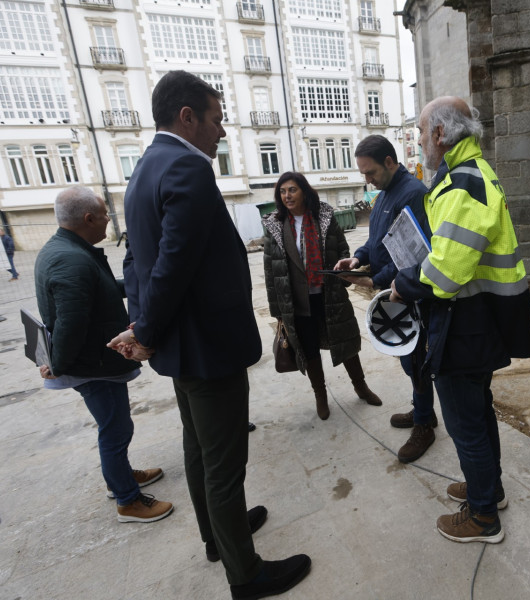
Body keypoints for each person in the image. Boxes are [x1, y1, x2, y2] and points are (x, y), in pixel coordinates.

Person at [107, 70, 310, 599]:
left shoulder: (144, 169)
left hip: (181, 344)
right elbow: (171, 264)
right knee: (224, 464)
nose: (222, 132)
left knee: (198, 449)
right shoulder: (187, 169)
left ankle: (218, 536)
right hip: (207, 345)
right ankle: (246, 574)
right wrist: (145, 330)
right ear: (187, 117)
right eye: (217, 120)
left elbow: (136, 260)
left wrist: (143, 324)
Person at [391, 96, 530, 544]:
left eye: (420, 133)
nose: (417, 143)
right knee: (478, 415)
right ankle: (487, 491)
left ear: (440, 133)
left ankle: (481, 518)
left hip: (464, 324)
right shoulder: (472, 174)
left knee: (465, 426)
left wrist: (403, 284)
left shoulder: (462, 184)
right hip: (478, 318)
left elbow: (445, 274)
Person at [34, 186, 173, 523]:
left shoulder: (65, 249)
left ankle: (120, 477)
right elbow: (70, 322)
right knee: (115, 429)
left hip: (91, 361)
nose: (109, 220)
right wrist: (58, 365)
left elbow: (101, 290)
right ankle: (127, 500)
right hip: (92, 366)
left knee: (113, 426)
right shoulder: (71, 259)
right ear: (88, 218)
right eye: (105, 213)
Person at [334, 135, 437, 463]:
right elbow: (378, 238)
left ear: (390, 162)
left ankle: (424, 424)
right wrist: (358, 257)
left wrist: (375, 278)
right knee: (407, 356)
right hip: (392, 289)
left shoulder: (414, 194)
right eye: (363, 173)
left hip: (411, 292)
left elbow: (416, 253)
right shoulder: (385, 194)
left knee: (416, 357)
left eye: (370, 172)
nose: (367, 179)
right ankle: (423, 411)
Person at [263, 171, 382, 420]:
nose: (287, 196)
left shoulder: (324, 217)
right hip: (297, 302)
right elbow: (270, 272)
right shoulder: (275, 226)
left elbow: (342, 247)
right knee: (309, 350)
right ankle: (320, 395)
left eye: (292, 190)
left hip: (329, 294)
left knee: (346, 342)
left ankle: (361, 387)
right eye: (283, 191)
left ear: (304, 191)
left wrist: (344, 269)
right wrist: (277, 311)